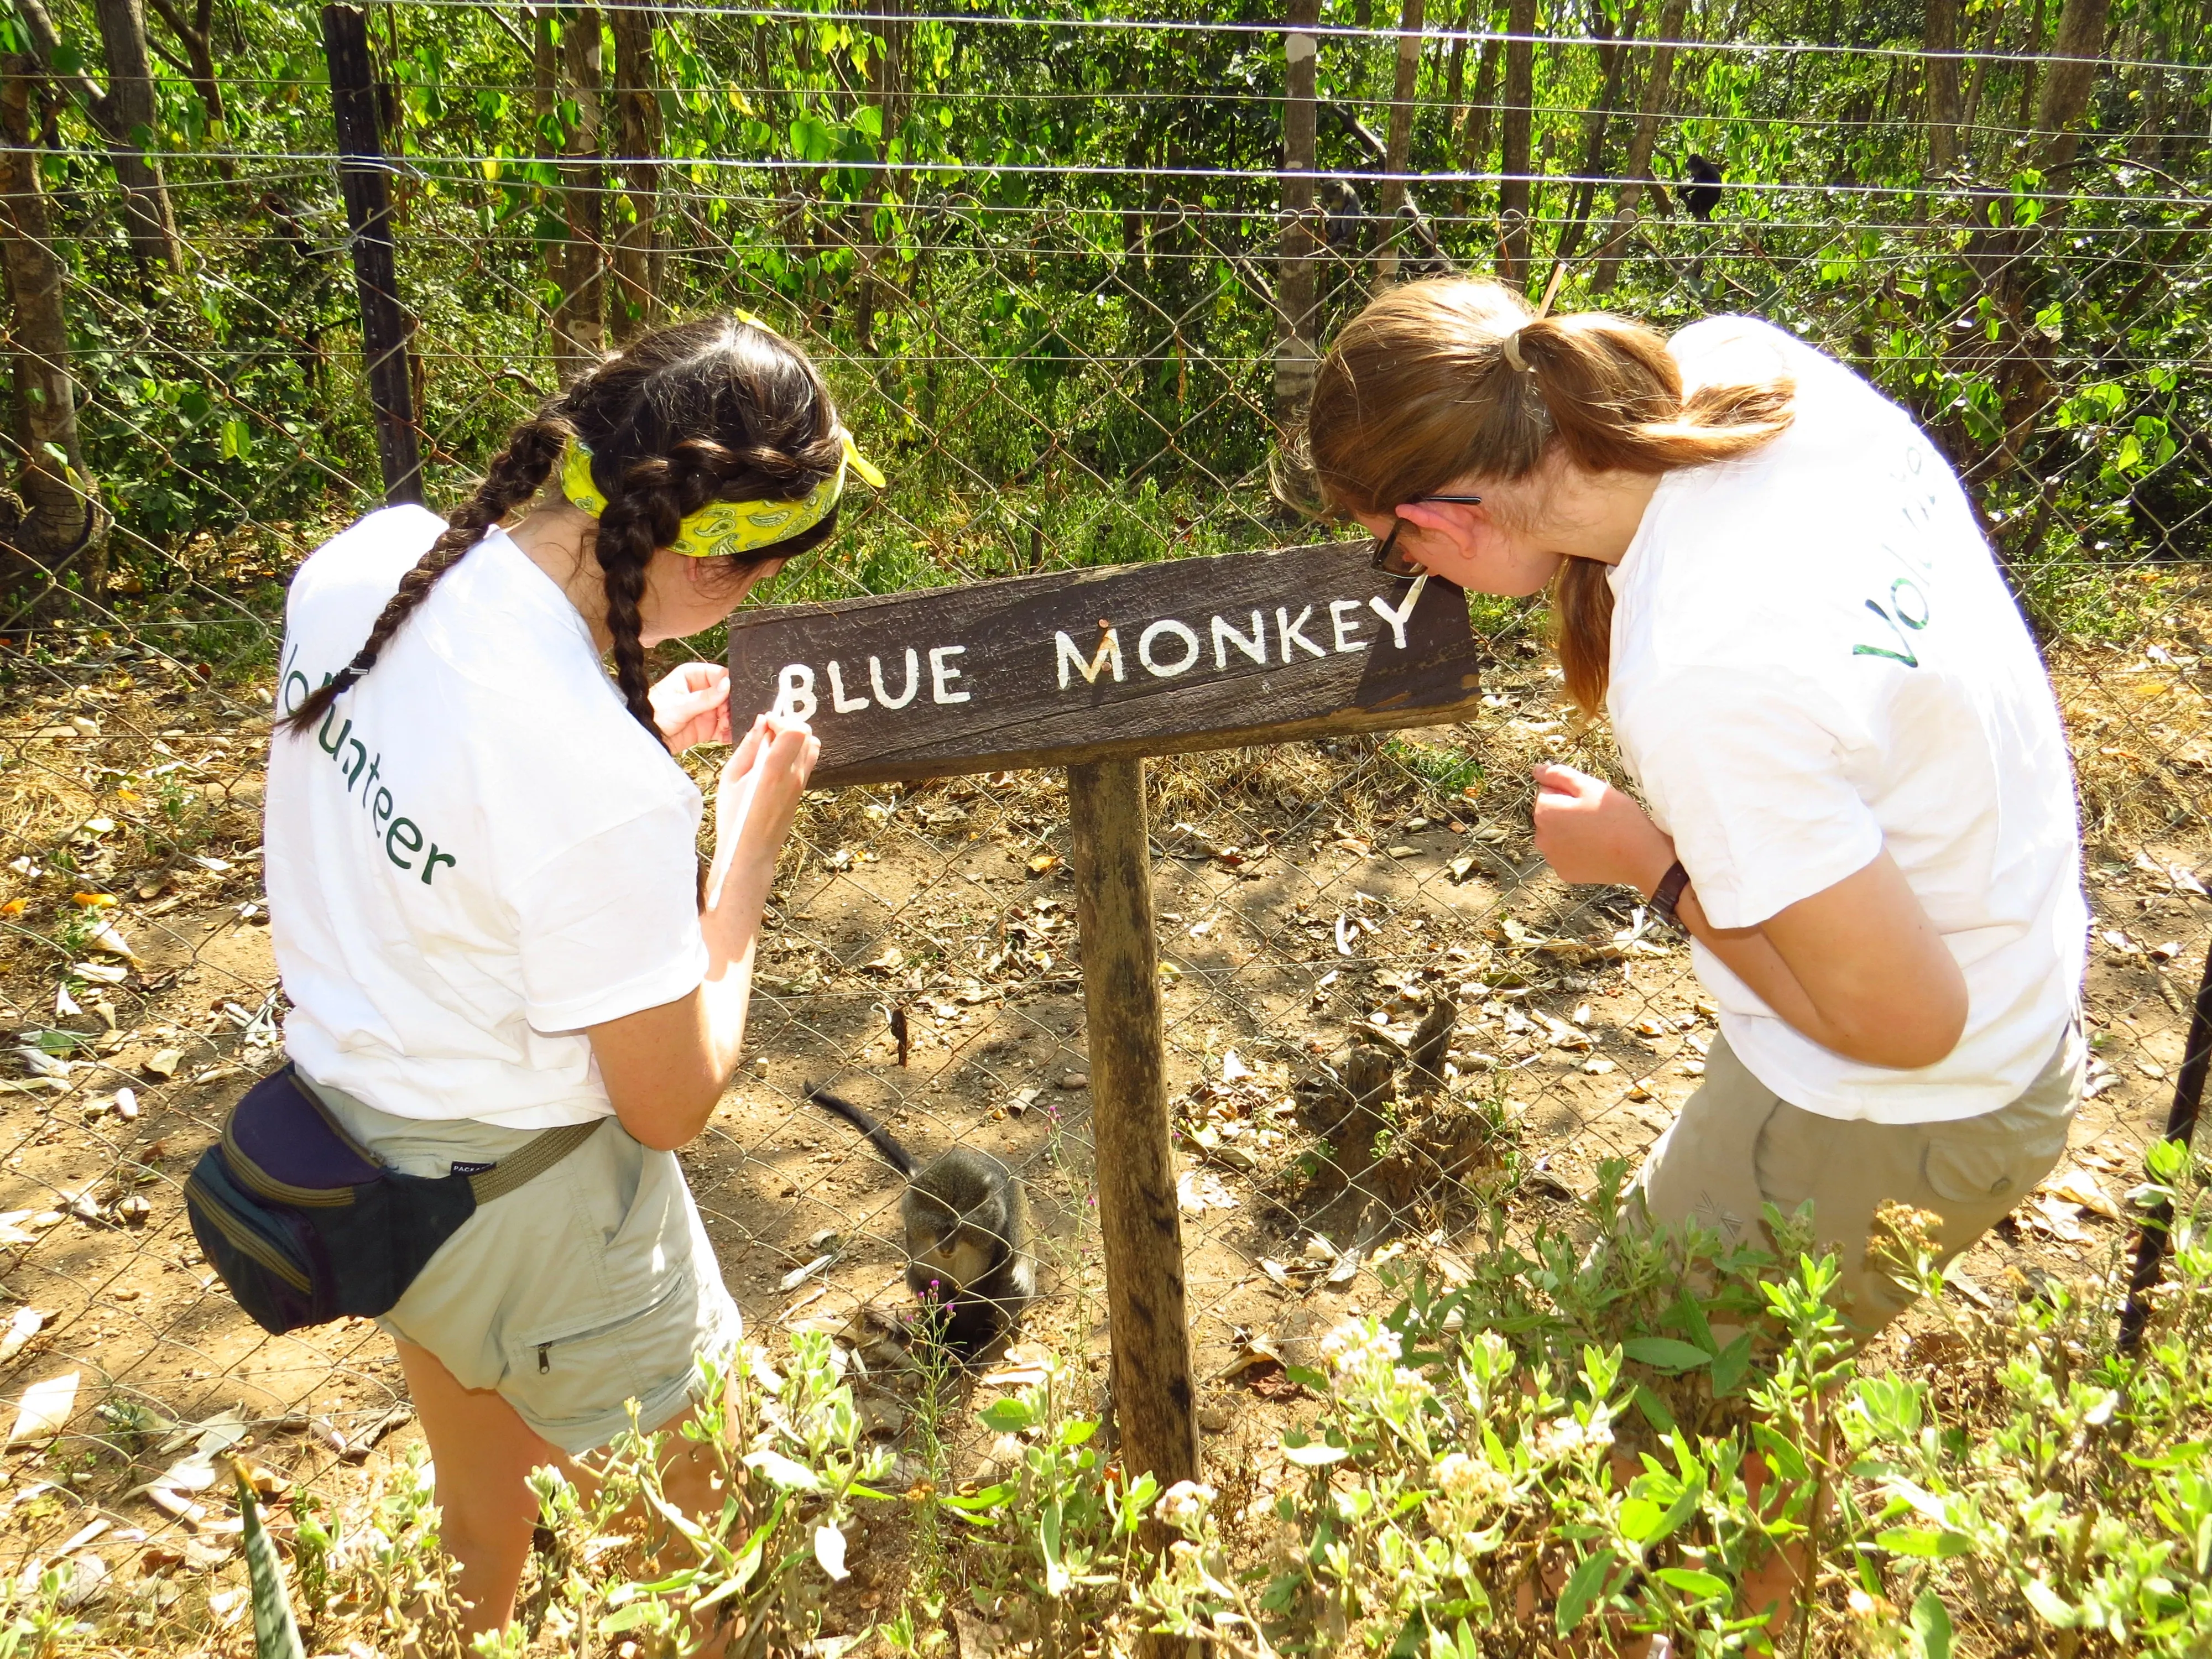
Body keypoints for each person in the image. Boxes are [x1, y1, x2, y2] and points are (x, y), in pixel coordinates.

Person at [1297, 277, 2085, 1340]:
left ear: (1442, 518)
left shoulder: (1704, 674)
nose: (1409, 572)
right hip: (2016, 963)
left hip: (1905, 1101)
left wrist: (1651, 866)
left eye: (1397, 550)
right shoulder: (1738, 366)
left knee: (1639, 1413)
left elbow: (1907, 1027)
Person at [263, 315, 860, 1637]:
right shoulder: (604, 787)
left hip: (355, 1155)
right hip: (531, 1206)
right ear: (710, 567)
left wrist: (618, 698)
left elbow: (455, 770)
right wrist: (742, 850)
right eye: (760, 570)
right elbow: (670, 1104)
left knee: (485, 1524)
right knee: (709, 1562)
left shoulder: (364, 564)